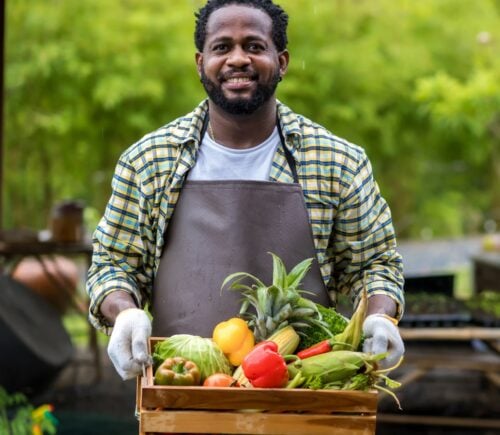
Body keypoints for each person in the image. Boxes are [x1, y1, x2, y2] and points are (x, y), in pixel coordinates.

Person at [87, 0, 405, 381]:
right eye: (222, 47)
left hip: (305, 390)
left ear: (282, 61)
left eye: (254, 46)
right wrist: (124, 312)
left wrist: (379, 317)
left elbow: (375, 263)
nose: (238, 59)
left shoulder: (338, 161)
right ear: (200, 62)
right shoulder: (149, 161)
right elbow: (113, 263)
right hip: (179, 386)